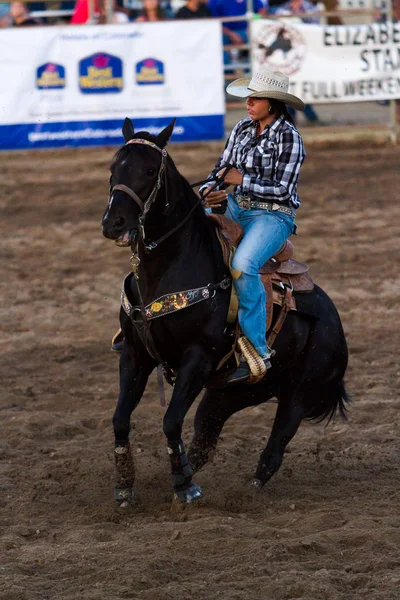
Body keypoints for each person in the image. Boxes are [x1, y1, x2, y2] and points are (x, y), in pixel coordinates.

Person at [201, 67, 306, 384]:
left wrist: (243, 180)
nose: (248, 102)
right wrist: (211, 189)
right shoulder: (241, 130)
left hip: (274, 216)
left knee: (244, 263)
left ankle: (259, 351)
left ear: (272, 103)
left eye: (255, 97)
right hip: (235, 205)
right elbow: (220, 169)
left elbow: (284, 190)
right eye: (249, 96)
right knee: (191, 234)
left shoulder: (290, 139)